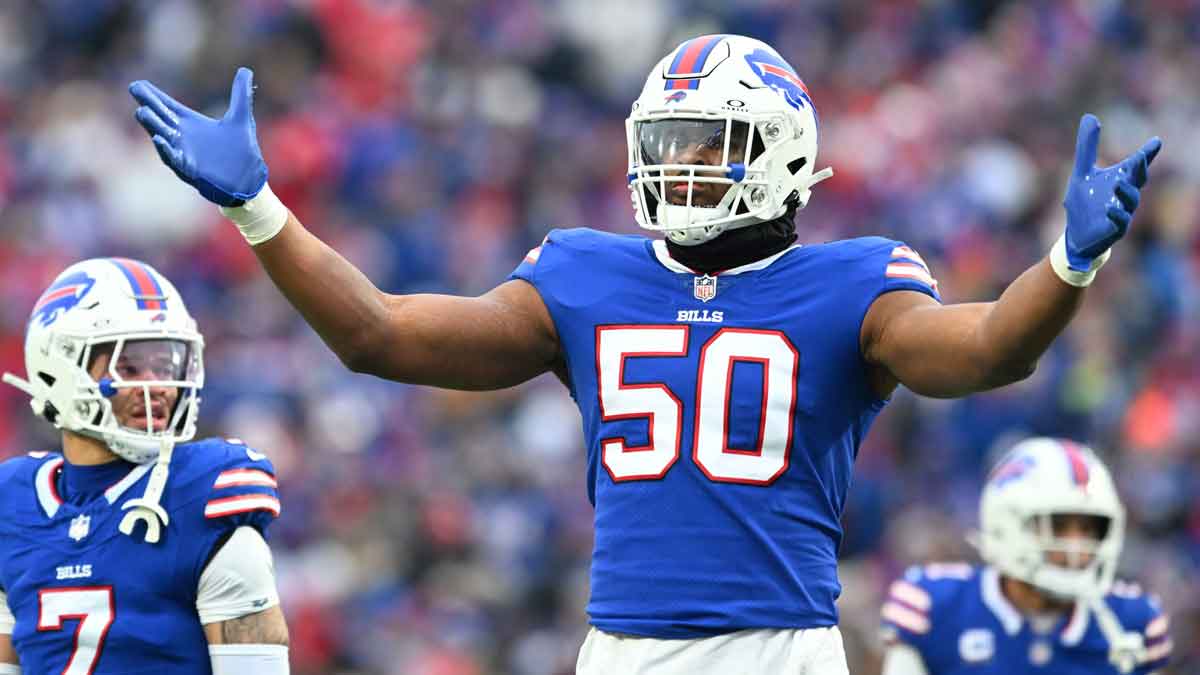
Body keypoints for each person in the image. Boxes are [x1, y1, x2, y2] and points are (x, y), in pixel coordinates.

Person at [128, 33, 1160, 673]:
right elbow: (379, 334)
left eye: (710, 145)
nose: (680, 169)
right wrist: (259, 209)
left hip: (777, 649)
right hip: (622, 646)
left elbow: (986, 351)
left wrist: (1067, 263)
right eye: (667, 143)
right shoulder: (585, 273)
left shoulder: (854, 284)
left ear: (783, 153)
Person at [0, 258, 289, 674]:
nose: (157, 386)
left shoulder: (201, 494)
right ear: (60, 367)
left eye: (166, 365)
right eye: (129, 366)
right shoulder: (13, 505)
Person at [880, 437, 1172, 674]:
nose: (1076, 546)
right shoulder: (934, 606)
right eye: (1057, 526)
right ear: (1006, 524)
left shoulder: (1132, 621)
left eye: (1088, 528)